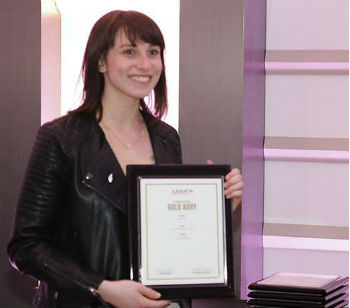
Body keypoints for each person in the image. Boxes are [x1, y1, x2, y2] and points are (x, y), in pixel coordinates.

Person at [7, 10, 243, 308]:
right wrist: (100, 288)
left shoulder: (166, 138)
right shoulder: (61, 138)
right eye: (129, 51)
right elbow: (26, 247)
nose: (145, 64)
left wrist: (215, 212)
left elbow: (169, 236)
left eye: (153, 52)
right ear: (101, 61)